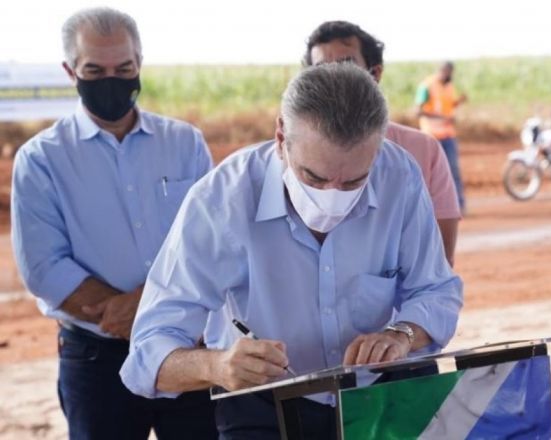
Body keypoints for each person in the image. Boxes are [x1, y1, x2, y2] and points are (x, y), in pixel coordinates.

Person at [120, 63, 463, 439]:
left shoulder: (400, 175)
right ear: (281, 137)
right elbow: (148, 351)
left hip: (383, 397)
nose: (333, 197)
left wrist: (403, 334)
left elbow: (436, 289)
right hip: (264, 405)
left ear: (377, 148)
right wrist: (217, 366)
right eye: (314, 177)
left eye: (354, 181)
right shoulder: (220, 200)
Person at [11, 7, 217, 439]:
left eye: (123, 68)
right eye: (95, 69)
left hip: (188, 351)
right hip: (97, 358)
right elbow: (45, 268)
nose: (112, 79)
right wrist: (146, 314)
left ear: (139, 64)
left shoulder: (185, 143)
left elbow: (211, 241)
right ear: (71, 71)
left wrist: (146, 310)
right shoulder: (41, 159)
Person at [303, 21, 460, 266]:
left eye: (346, 65)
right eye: (321, 69)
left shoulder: (423, 150)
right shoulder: (292, 153)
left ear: (374, 74)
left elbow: (439, 265)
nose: (333, 79)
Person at [416, 61, 468, 214]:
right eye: (447, 72)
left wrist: (458, 102)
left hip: (448, 135)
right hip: (431, 137)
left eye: (451, 73)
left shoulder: (449, 87)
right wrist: (442, 117)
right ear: (441, 71)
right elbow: (418, 111)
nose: (449, 76)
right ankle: (426, 209)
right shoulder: (426, 86)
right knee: (428, 174)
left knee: (453, 170)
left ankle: (458, 206)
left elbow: (448, 106)